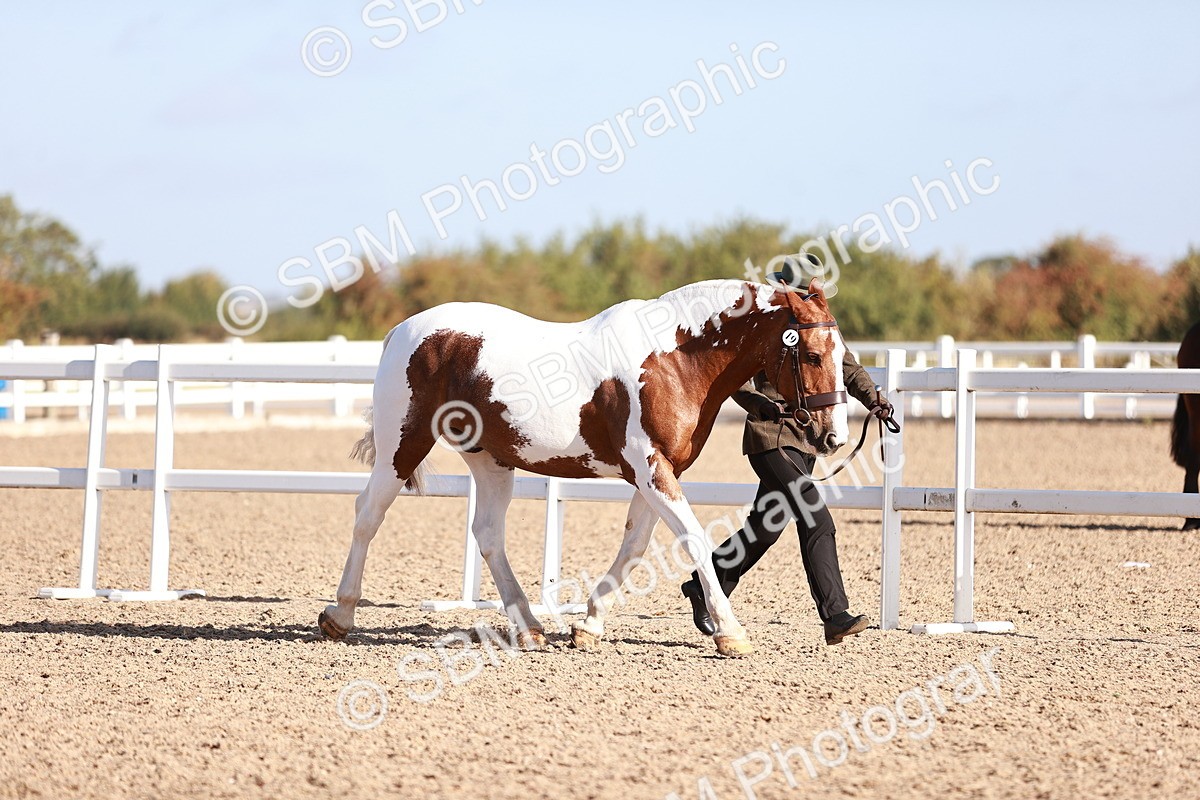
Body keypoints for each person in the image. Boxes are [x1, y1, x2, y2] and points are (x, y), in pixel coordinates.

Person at [680, 258, 895, 645]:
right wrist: (758, 403)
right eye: (806, 293)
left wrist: (874, 399)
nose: (814, 298)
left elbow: (845, 367)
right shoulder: (762, 322)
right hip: (771, 436)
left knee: (764, 529)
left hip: (807, 439)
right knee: (817, 518)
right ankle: (835, 615)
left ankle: (703, 585)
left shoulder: (818, 324)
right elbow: (731, 372)